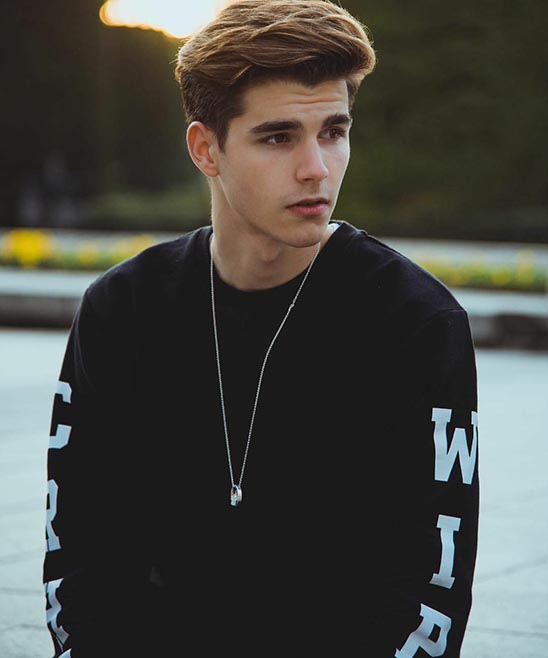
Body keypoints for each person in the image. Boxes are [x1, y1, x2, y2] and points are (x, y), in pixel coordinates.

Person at [43, 1, 480, 656]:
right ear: (206, 149)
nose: (317, 168)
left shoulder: (415, 322)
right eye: (278, 137)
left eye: (333, 131)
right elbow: (79, 553)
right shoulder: (122, 311)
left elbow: (431, 583)